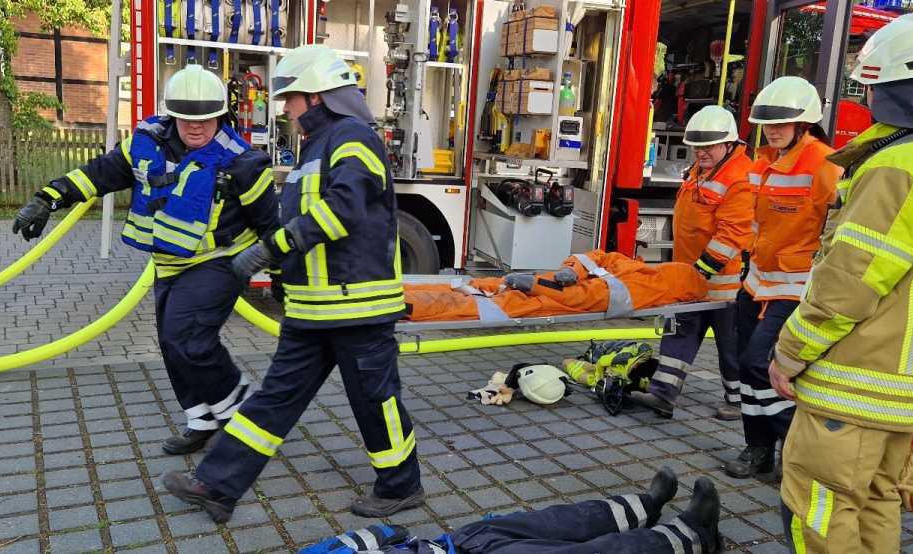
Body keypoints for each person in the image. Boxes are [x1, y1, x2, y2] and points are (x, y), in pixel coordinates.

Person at [160, 44, 423, 523]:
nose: (284, 108)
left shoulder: (355, 138)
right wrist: (284, 277)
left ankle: (402, 486)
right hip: (311, 311)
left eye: (292, 98)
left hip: (357, 308)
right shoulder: (316, 148)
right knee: (273, 399)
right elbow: (300, 215)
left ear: (318, 97)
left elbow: (342, 209)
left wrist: (271, 249)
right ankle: (217, 488)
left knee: (375, 402)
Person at [770, 14, 913, 551]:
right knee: (877, 502)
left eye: (871, 87)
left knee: (820, 506)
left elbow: (851, 279)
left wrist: (790, 353)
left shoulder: (898, 164)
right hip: (908, 386)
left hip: (856, 381)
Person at [11, 64, 278, 454]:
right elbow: (98, 174)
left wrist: (282, 273)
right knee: (171, 344)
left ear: (222, 115)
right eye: (187, 119)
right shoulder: (146, 142)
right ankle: (201, 419)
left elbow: (271, 224)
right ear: (173, 116)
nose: (198, 128)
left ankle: (239, 411)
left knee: (188, 339)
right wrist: (47, 198)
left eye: (207, 119)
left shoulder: (243, 163)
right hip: (169, 264)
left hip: (222, 262)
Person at [723, 76, 841, 479]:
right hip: (756, 282)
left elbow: (841, 220)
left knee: (761, 362)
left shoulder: (824, 163)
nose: (772, 130)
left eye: (781, 123)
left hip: (794, 287)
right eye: (767, 124)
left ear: (804, 124)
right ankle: (757, 450)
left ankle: (794, 451)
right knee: (745, 366)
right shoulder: (763, 164)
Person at [635, 105, 753, 421]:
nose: (701, 152)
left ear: (729, 145)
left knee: (731, 346)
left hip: (724, 285)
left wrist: (701, 271)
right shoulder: (701, 171)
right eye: (697, 146)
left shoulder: (739, 179)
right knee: (678, 333)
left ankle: (738, 401)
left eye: (709, 146)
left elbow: (732, 234)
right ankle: (662, 395)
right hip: (691, 276)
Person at [301, 467, 722, 554]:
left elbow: (378, 534)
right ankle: (692, 535)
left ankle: (643, 507)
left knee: (555, 521)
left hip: (453, 545)